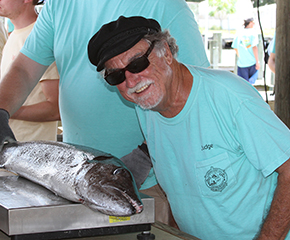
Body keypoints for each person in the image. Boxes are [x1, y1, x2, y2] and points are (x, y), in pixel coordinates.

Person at [0, 0, 209, 227]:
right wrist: (1, 111)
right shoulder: (59, 5)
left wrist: (146, 155)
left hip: (146, 184)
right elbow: (24, 69)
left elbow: (196, 90)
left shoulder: (164, 5)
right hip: (74, 179)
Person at [88, 15, 290, 240]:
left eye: (137, 63)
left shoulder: (229, 97)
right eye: (116, 76)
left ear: (165, 51)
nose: (131, 81)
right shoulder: (147, 107)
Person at [0, 0, 60, 141]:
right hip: (12, 148)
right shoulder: (14, 35)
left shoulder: (40, 38)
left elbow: (55, 109)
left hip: (33, 153)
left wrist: (6, 111)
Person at [232, 17, 260, 83]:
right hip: (252, 62)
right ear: (250, 23)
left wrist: (240, 56)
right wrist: (257, 61)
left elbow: (235, 47)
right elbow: (254, 47)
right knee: (251, 84)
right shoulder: (253, 33)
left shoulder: (239, 33)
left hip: (242, 63)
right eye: (253, 23)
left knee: (243, 85)